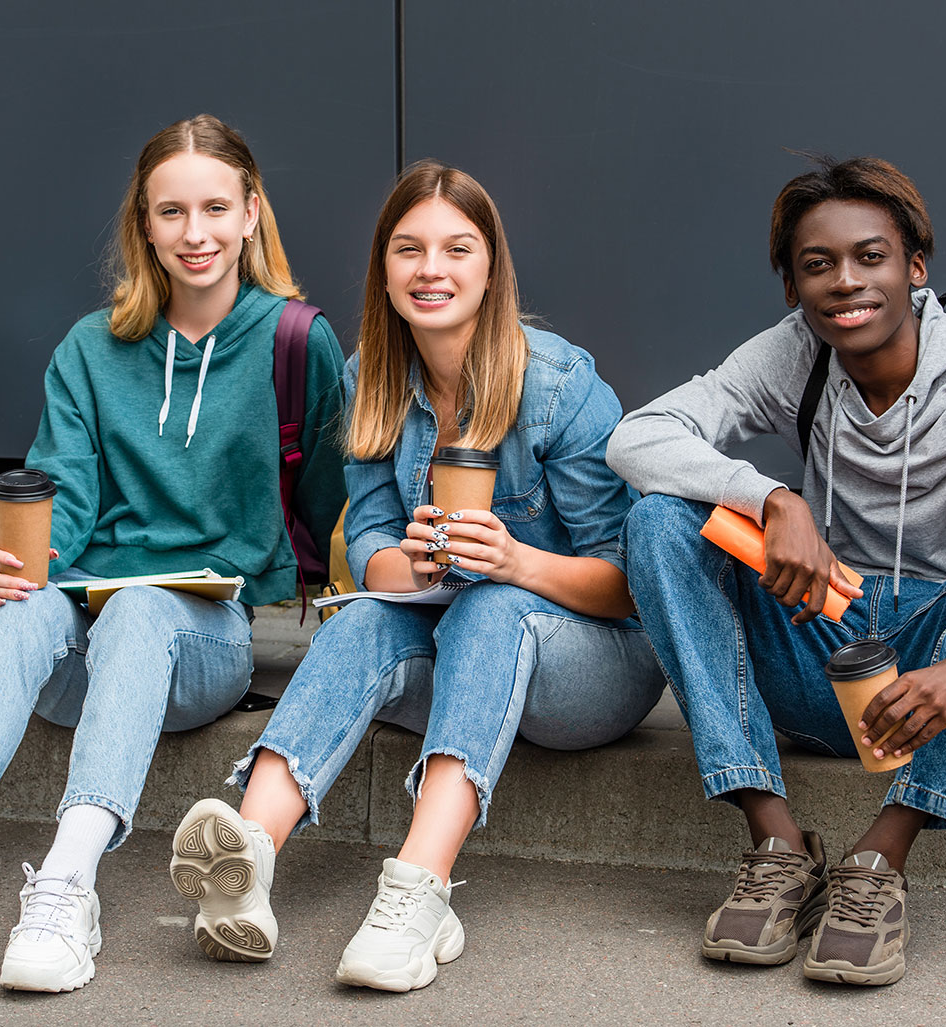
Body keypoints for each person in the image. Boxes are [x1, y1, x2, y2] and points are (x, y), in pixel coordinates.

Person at [0, 114, 347, 992]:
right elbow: (60, 496)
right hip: (82, 625)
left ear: (251, 213)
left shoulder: (297, 340)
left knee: (146, 605)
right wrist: (20, 564)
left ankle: (69, 884)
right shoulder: (90, 347)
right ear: (143, 223)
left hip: (204, 636)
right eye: (172, 211)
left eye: (216, 208)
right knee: (26, 603)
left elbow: (329, 498)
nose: (196, 233)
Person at [607, 155, 946, 986]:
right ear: (792, 287)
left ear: (916, 270)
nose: (846, 282)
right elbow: (637, 436)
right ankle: (775, 841)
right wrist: (770, 495)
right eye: (818, 264)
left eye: (870, 257)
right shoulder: (796, 355)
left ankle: (881, 856)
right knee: (660, 520)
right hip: (822, 653)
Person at [170, 160, 664, 993]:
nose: (431, 269)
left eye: (456, 248)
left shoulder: (558, 383)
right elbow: (366, 536)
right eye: (409, 249)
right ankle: (248, 854)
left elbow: (630, 583)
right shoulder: (374, 377)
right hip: (461, 650)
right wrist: (414, 561)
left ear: (490, 266)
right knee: (361, 618)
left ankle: (418, 889)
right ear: (385, 268)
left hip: (596, 672)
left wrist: (515, 560)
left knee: (495, 603)